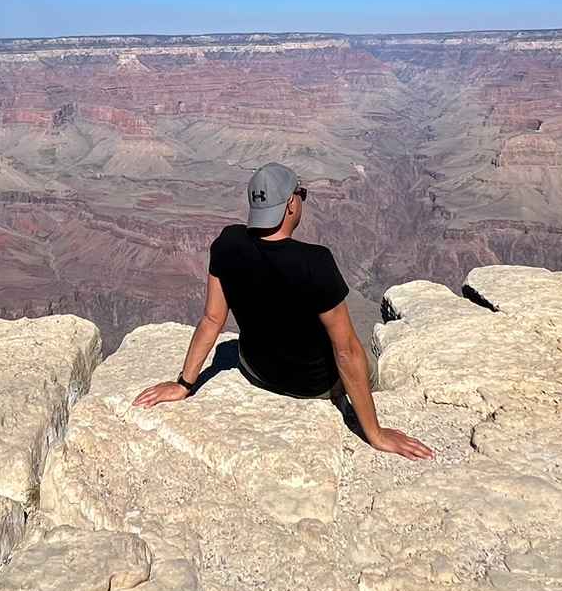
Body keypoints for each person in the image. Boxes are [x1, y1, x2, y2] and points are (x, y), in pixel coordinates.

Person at [134, 162, 433, 459]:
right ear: (291, 204)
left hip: (255, 370)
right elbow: (346, 353)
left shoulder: (227, 242)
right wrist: (376, 434)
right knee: (365, 360)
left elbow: (212, 319)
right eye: (301, 193)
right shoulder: (315, 262)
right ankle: (360, 410)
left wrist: (184, 384)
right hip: (313, 386)